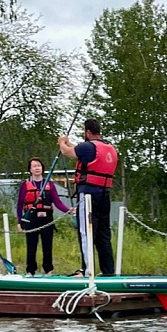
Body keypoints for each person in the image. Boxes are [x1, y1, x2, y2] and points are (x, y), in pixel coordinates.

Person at [58, 117, 117, 275]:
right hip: (104, 194)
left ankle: (86, 270)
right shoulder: (109, 148)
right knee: (103, 234)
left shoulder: (88, 147)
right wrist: (69, 143)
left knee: (86, 232)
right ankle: (108, 271)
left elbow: (67, 152)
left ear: (88, 132)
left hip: (88, 196)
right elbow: (79, 150)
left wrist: (62, 142)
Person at [16, 157, 70, 274]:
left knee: (47, 246)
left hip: (47, 218)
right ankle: (30, 271)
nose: (37, 168)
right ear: (30, 169)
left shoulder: (50, 184)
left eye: (39, 166)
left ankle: (48, 270)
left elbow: (57, 202)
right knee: (31, 247)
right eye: (34, 166)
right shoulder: (25, 185)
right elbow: (20, 204)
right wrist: (19, 221)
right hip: (31, 219)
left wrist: (69, 210)